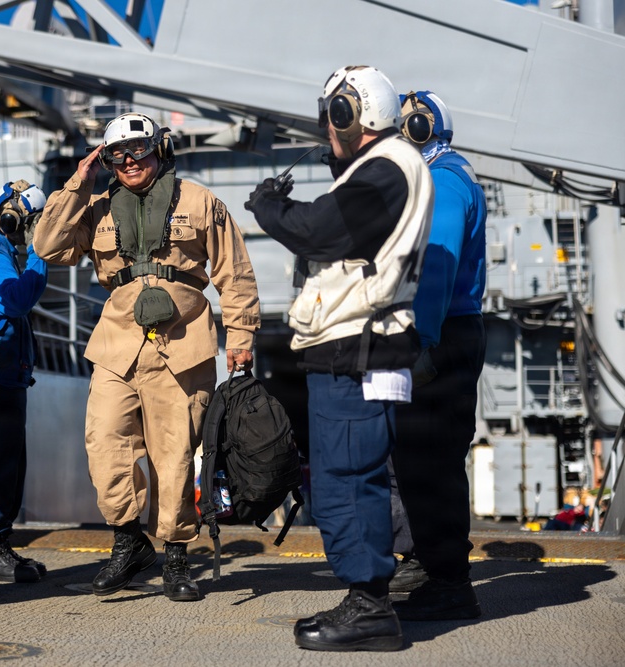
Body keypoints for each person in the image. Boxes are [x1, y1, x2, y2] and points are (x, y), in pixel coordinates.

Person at [33, 112, 260, 603]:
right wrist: (79, 180)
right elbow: (48, 247)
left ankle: (176, 556)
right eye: (118, 154)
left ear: (160, 150)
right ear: (107, 160)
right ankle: (128, 539)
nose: (130, 160)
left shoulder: (201, 202)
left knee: (174, 455)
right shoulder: (94, 206)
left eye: (139, 150)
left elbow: (234, 271)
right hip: (117, 347)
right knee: (105, 444)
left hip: (183, 347)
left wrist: (241, 336)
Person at [245, 65, 432, 651]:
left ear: (351, 115)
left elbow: (319, 229)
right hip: (361, 349)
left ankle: (369, 605)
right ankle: (367, 595)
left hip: (356, 349)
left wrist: (269, 208)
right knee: (355, 474)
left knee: (346, 478)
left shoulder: (385, 170)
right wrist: (337, 168)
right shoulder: (389, 168)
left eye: (333, 116)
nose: (328, 126)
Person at [389, 90, 487, 620]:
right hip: (439, 332)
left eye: (405, 125)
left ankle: (450, 582)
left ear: (425, 129)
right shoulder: (437, 176)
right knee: (415, 458)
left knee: (432, 461)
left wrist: (419, 341)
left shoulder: (444, 182)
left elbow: (437, 266)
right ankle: (429, 563)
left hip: (440, 335)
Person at [0, 180, 51, 583]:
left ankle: (0, 543)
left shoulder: (1, 252)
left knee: (10, 461)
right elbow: (17, 300)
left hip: (7, 373)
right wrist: (39, 252)